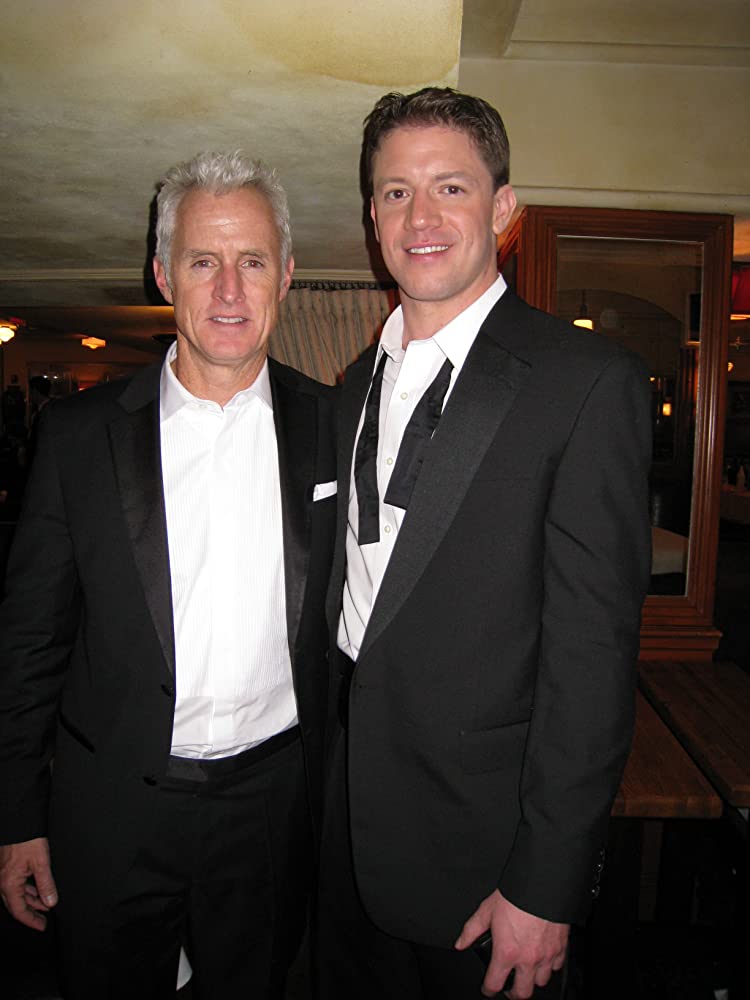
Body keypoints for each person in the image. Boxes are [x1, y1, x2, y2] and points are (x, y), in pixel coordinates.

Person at [317, 88, 652, 999]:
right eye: (396, 192)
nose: (419, 217)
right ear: (372, 217)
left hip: (483, 861)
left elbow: (592, 659)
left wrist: (546, 884)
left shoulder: (586, 382)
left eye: (451, 188)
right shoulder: (351, 388)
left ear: (503, 210)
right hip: (341, 837)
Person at [0, 151, 337, 999]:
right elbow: (30, 642)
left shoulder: (335, 427)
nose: (228, 290)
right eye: (201, 261)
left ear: (286, 275)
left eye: (252, 261)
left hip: (272, 806)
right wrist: (15, 818)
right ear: (162, 274)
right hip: (113, 805)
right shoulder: (78, 437)